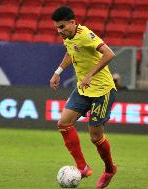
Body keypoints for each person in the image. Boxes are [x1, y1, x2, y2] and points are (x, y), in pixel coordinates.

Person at [49, 6, 117, 189]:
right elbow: (71, 52)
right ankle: (82, 167)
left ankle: (110, 169)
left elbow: (109, 53)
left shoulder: (86, 35)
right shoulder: (69, 37)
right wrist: (58, 72)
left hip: (102, 90)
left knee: (95, 137)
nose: (59, 31)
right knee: (63, 123)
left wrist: (90, 75)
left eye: (62, 27)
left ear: (73, 22)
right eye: (57, 28)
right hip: (83, 90)